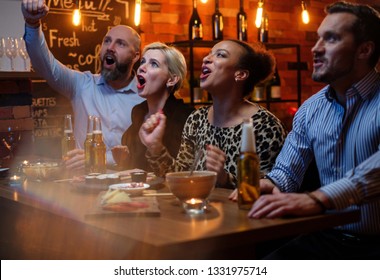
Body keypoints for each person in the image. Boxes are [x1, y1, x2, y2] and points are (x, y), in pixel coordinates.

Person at [233, 1, 380, 259]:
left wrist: (318, 199)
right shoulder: (310, 108)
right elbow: (286, 172)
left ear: (364, 50)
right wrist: (269, 184)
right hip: (326, 238)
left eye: (331, 39)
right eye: (317, 39)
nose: (315, 48)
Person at [139, 40, 287, 188]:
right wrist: (155, 147)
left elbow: (271, 187)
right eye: (209, 53)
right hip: (198, 209)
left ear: (240, 74)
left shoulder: (266, 126)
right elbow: (181, 177)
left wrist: (225, 179)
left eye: (220, 55)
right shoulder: (197, 119)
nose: (206, 59)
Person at [21, 0, 144, 170]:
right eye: (107, 41)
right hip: (83, 187)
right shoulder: (82, 85)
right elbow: (45, 65)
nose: (110, 47)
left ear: (136, 56)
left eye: (121, 43)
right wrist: (32, 24)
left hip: (129, 188)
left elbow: (146, 152)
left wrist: (99, 157)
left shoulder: (145, 96)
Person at [111, 42, 194, 171]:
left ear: (171, 79)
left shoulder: (186, 117)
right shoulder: (138, 113)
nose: (142, 67)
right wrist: (124, 160)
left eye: (154, 64)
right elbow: (139, 170)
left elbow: (186, 174)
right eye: (143, 61)